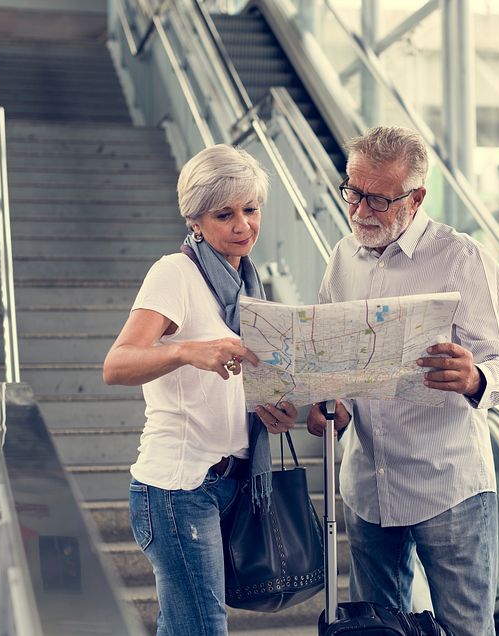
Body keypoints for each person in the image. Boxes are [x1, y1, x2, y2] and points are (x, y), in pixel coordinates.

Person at [306, 126, 499, 636]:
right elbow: (338, 363)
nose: (360, 211)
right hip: (368, 482)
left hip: (446, 485)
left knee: (466, 629)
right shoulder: (341, 259)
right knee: (376, 630)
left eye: (377, 200)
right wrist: (330, 402)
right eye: (352, 192)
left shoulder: (460, 257)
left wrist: (474, 377)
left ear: (416, 197)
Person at [103, 144, 299, 636]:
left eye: (251, 210)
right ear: (195, 220)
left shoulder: (248, 283)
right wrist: (187, 351)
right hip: (179, 487)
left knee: (188, 626)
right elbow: (116, 364)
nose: (243, 225)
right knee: (202, 628)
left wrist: (268, 408)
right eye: (225, 214)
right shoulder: (176, 273)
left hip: (232, 483)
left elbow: (234, 382)